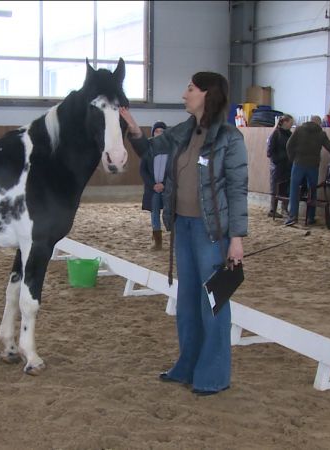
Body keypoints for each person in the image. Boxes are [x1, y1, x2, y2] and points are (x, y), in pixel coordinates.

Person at [119, 72, 248, 396]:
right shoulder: (183, 132)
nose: (184, 94)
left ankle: (214, 374)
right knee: (188, 300)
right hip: (183, 226)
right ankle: (187, 364)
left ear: (207, 94)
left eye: (190, 88)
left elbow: (236, 190)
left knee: (213, 302)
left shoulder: (230, 138)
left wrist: (237, 238)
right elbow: (149, 150)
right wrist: (133, 129)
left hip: (212, 233)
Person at [284, 116, 330, 226]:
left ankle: (293, 216)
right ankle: (310, 217)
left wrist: (292, 158)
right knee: (312, 190)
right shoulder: (321, 134)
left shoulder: (299, 130)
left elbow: (289, 145)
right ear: (319, 123)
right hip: (313, 165)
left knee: (294, 189)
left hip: (298, 163)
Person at [139, 121, 169, 250]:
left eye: (162, 131)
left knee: (172, 213)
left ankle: (175, 239)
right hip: (154, 189)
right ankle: (157, 241)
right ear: (153, 133)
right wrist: (153, 185)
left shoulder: (171, 148)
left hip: (168, 188)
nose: (159, 134)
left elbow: (174, 168)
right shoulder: (148, 148)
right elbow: (143, 170)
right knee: (155, 212)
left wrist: (165, 184)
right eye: (157, 131)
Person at [266, 114, 293, 218]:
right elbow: (269, 151)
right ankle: (273, 209)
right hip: (277, 166)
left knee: (285, 187)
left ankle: (284, 209)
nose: (292, 124)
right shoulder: (275, 134)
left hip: (287, 165)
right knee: (275, 188)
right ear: (285, 122)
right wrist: (278, 159)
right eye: (291, 122)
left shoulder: (290, 134)